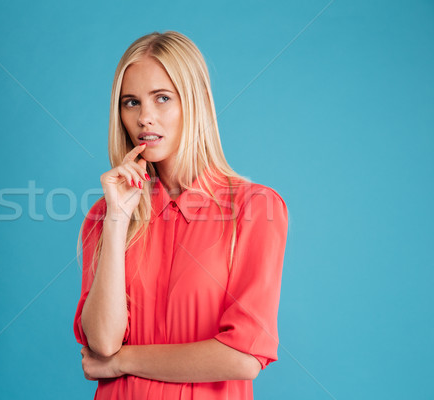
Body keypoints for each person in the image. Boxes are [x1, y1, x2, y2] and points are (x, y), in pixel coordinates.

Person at [73, 30, 289, 399]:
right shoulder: (105, 213)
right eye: (131, 102)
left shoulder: (255, 209)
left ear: (195, 103)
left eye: (162, 98)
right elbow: (103, 342)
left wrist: (123, 362)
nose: (145, 117)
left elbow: (242, 357)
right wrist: (116, 219)